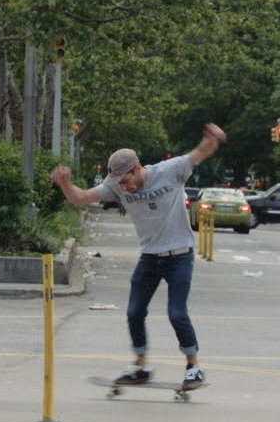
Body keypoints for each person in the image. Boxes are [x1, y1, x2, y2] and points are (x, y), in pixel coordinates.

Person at [51, 124, 226, 390]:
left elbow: (199, 153)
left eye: (126, 181)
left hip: (180, 255)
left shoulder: (170, 170)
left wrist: (213, 139)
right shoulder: (115, 187)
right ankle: (142, 365)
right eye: (118, 184)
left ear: (137, 168)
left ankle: (193, 367)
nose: (124, 188)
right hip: (149, 257)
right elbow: (81, 198)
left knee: (177, 313)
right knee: (134, 312)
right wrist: (65, 183)